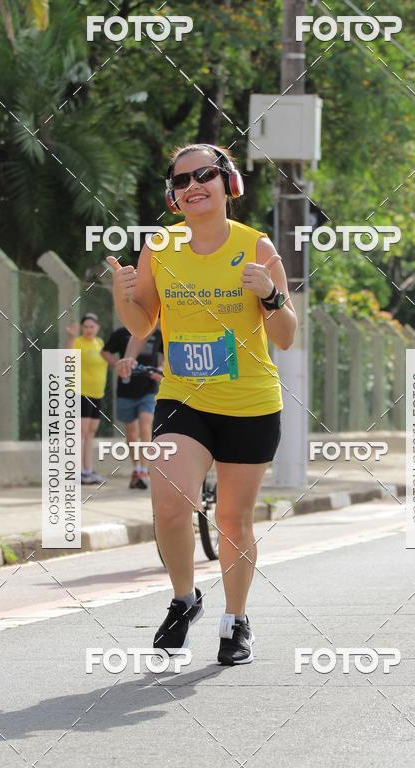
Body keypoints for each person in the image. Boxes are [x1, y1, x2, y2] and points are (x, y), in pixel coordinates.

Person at [108, 143, 297, 665]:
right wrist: (121, 292)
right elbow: (142, 324)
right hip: (182, 398)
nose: (193, 186)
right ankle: (184, 598)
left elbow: (285, 337)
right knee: (169, 504)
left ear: (227, 183)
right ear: (173, 195)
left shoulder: (257, 248)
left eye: (204, 175)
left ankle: (235, 621)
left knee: (234, 520)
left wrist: (272, 296)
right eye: (181, 180)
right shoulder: (160, 246)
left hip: (250, 402)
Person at [102, 324, 163, 489]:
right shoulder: (120, 333)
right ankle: (136, 468)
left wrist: (160, 368)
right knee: (131, 432)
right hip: (126, 389)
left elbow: (167, 354)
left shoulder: (157, 334)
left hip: (148, 389)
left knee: (145, 426)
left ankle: (145, 469)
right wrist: (116, 364)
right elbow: (105, 351)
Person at [65, 312, 108, 485]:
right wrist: (71, 337)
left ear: (97, 327)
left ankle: (88, 470)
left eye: (92, 326)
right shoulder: (77, 342)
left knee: (90, 433)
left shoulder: (100, 344)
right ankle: (77, 471)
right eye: (86, 327)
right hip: (80, 393)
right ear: (82, 328)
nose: (89, 330)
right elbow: (66, 357)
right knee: (81, 433)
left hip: (98, 394)